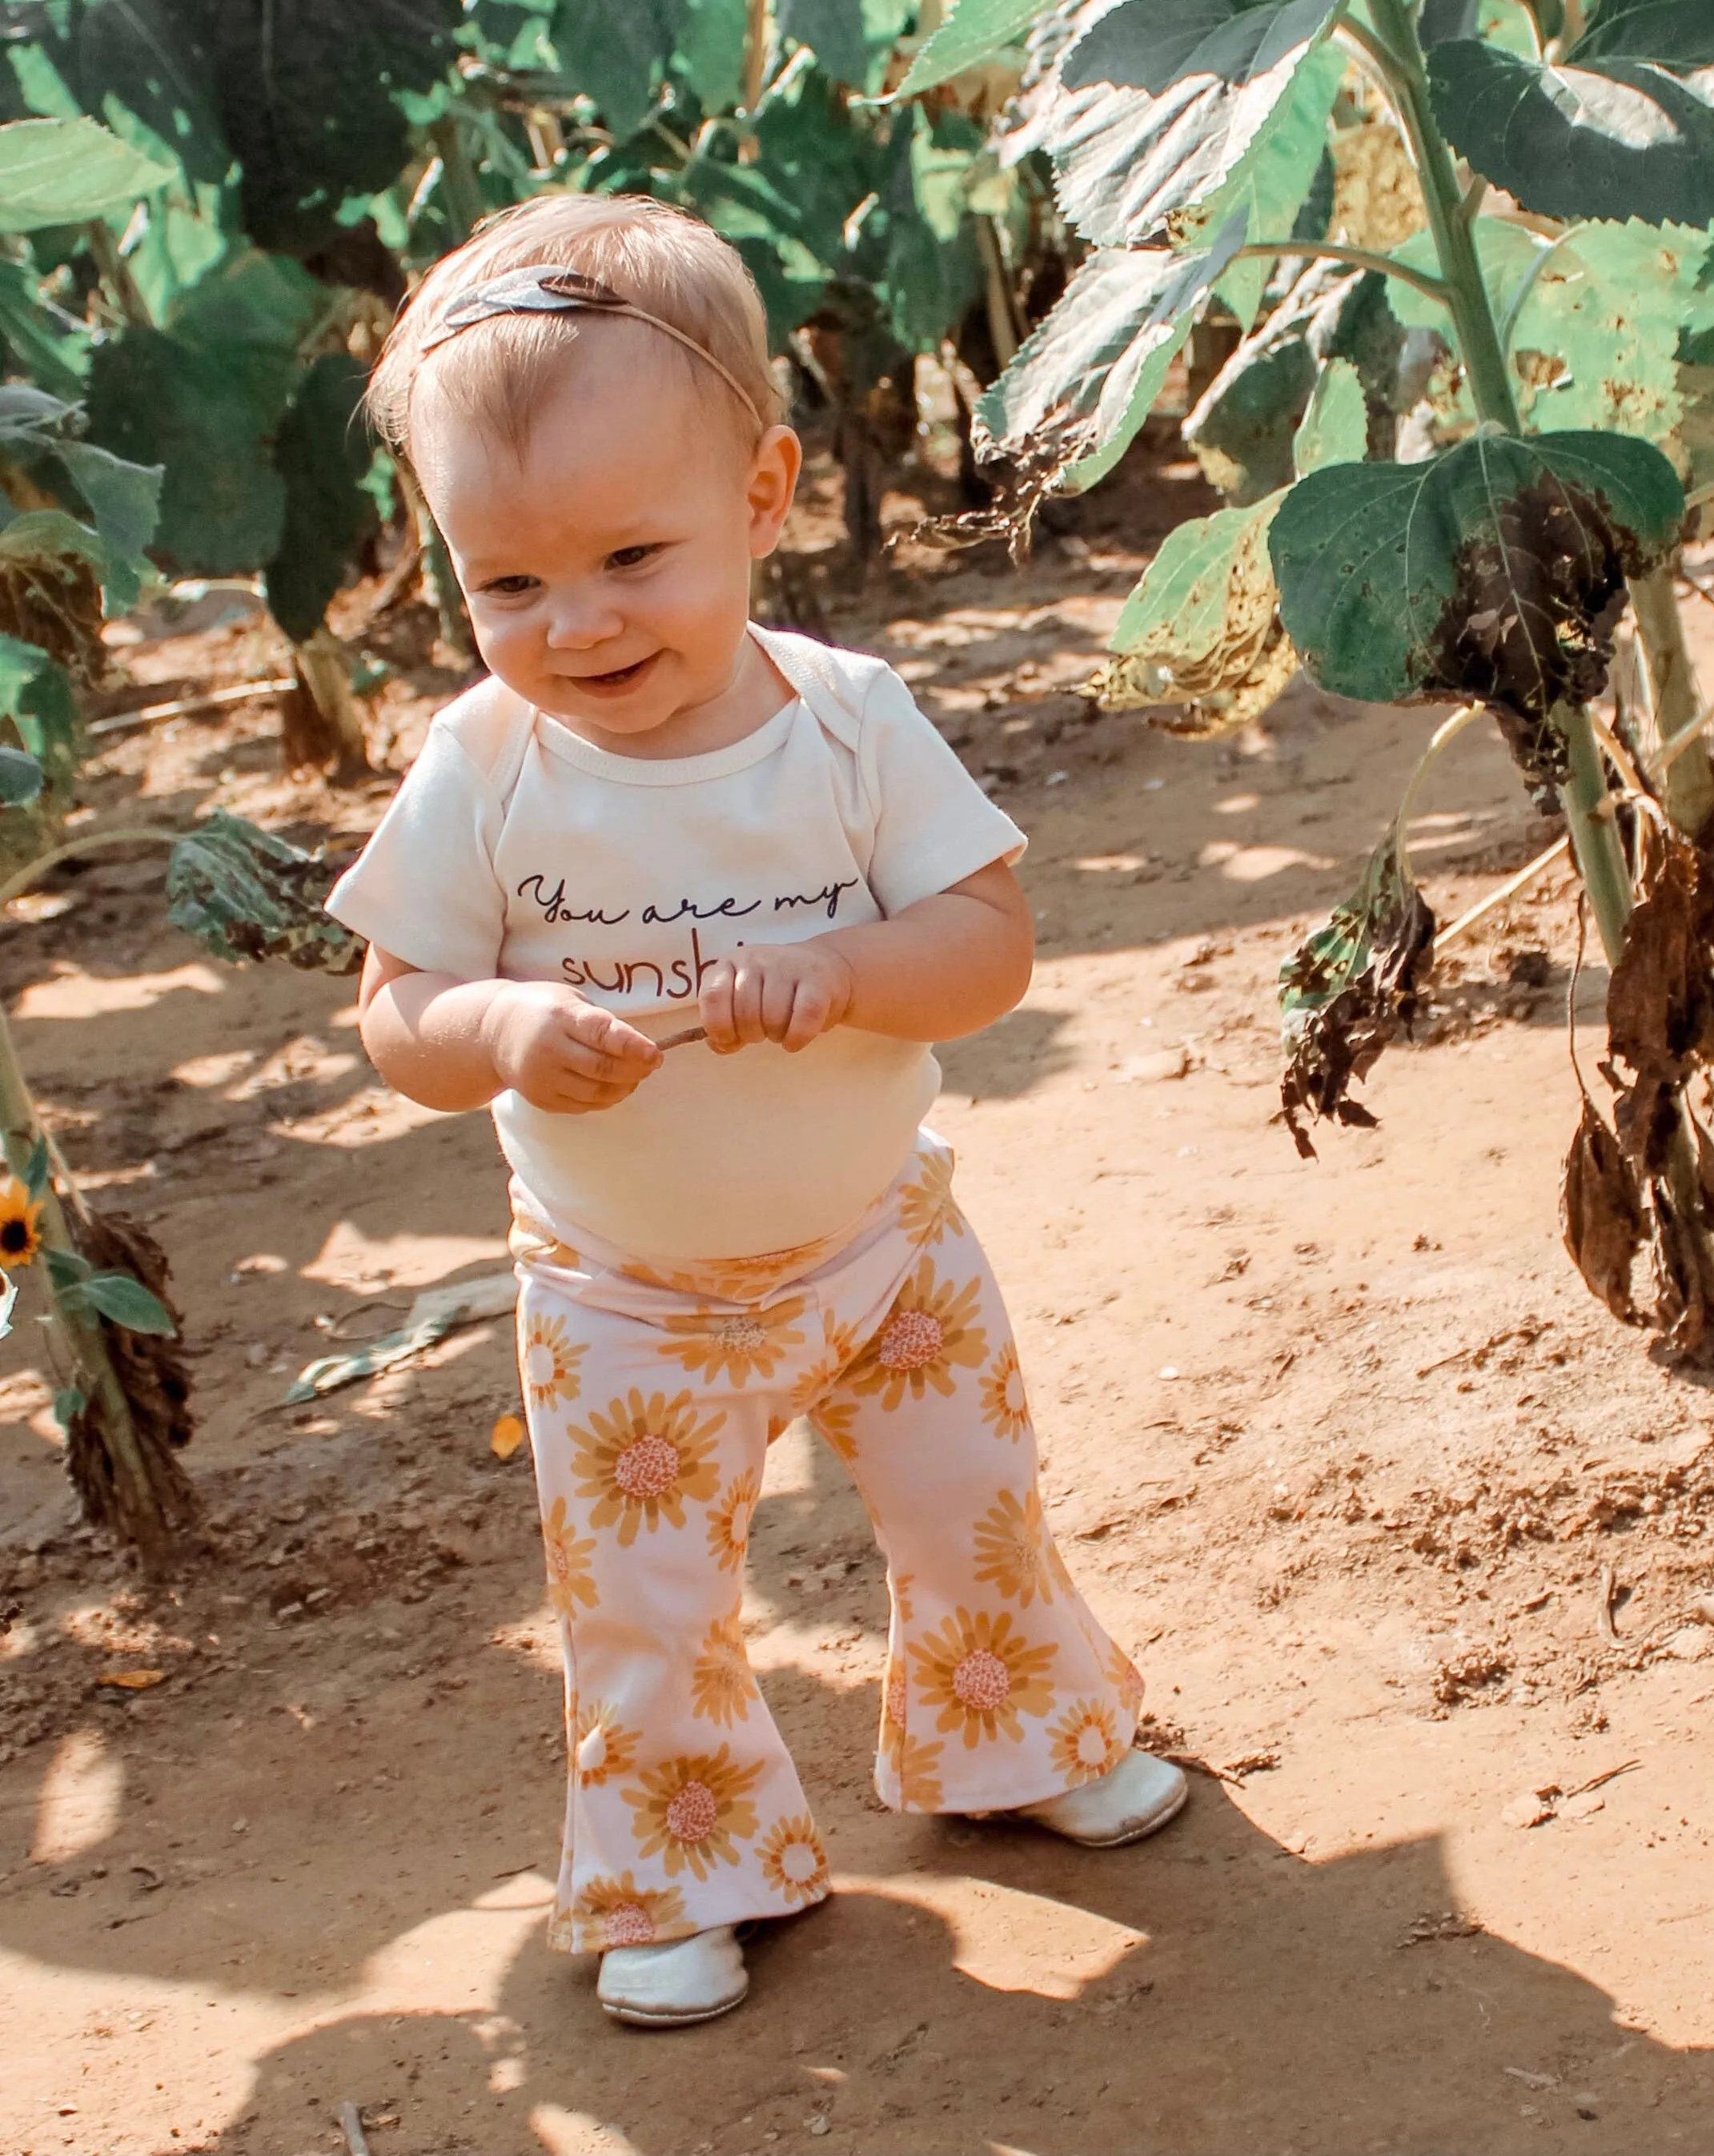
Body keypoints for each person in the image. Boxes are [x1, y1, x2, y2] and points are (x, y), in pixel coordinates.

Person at [329, 191, 1184, 2031]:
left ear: (767, 495)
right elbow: (392, 1013)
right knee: (646, 1601)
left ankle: (1015, 1739)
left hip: (887, 1246)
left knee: (975, 1514)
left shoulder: (853, 721)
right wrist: (499, 1022)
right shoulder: (483, 764)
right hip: (625, 1294)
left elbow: (990, 945)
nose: (576, 624)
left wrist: (856, 976)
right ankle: (679, 1861)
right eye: (507, 585)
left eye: (634, 555)